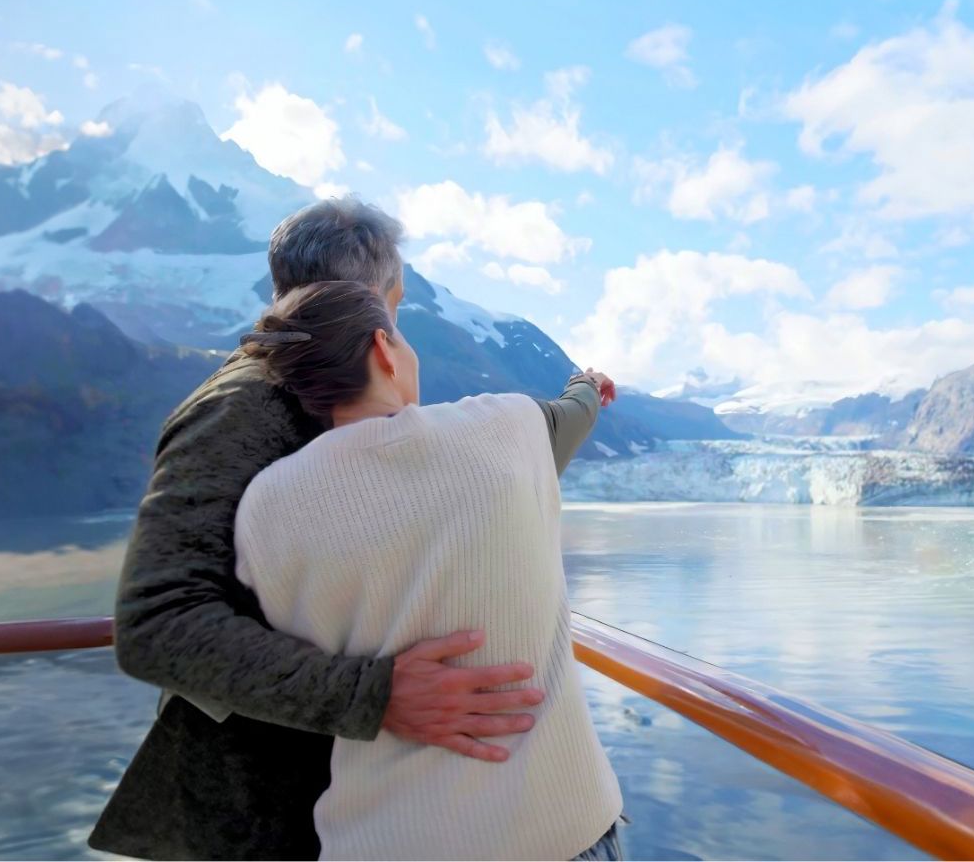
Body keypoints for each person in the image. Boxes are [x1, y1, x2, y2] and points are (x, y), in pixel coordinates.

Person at [91, 199, 548, 860]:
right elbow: (157, 624)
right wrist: (372, 694)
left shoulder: (321, 391)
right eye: (398, 303)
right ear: (384, 301)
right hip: (256, 814)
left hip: (328, 798)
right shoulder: (242, 408)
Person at [232, 280, 623, 860]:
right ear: (383, 349)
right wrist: (586, 383)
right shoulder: (506, 427)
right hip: (556, 826)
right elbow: (572, 415)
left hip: (385, 840)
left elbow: (286, 650)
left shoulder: (263, 505)